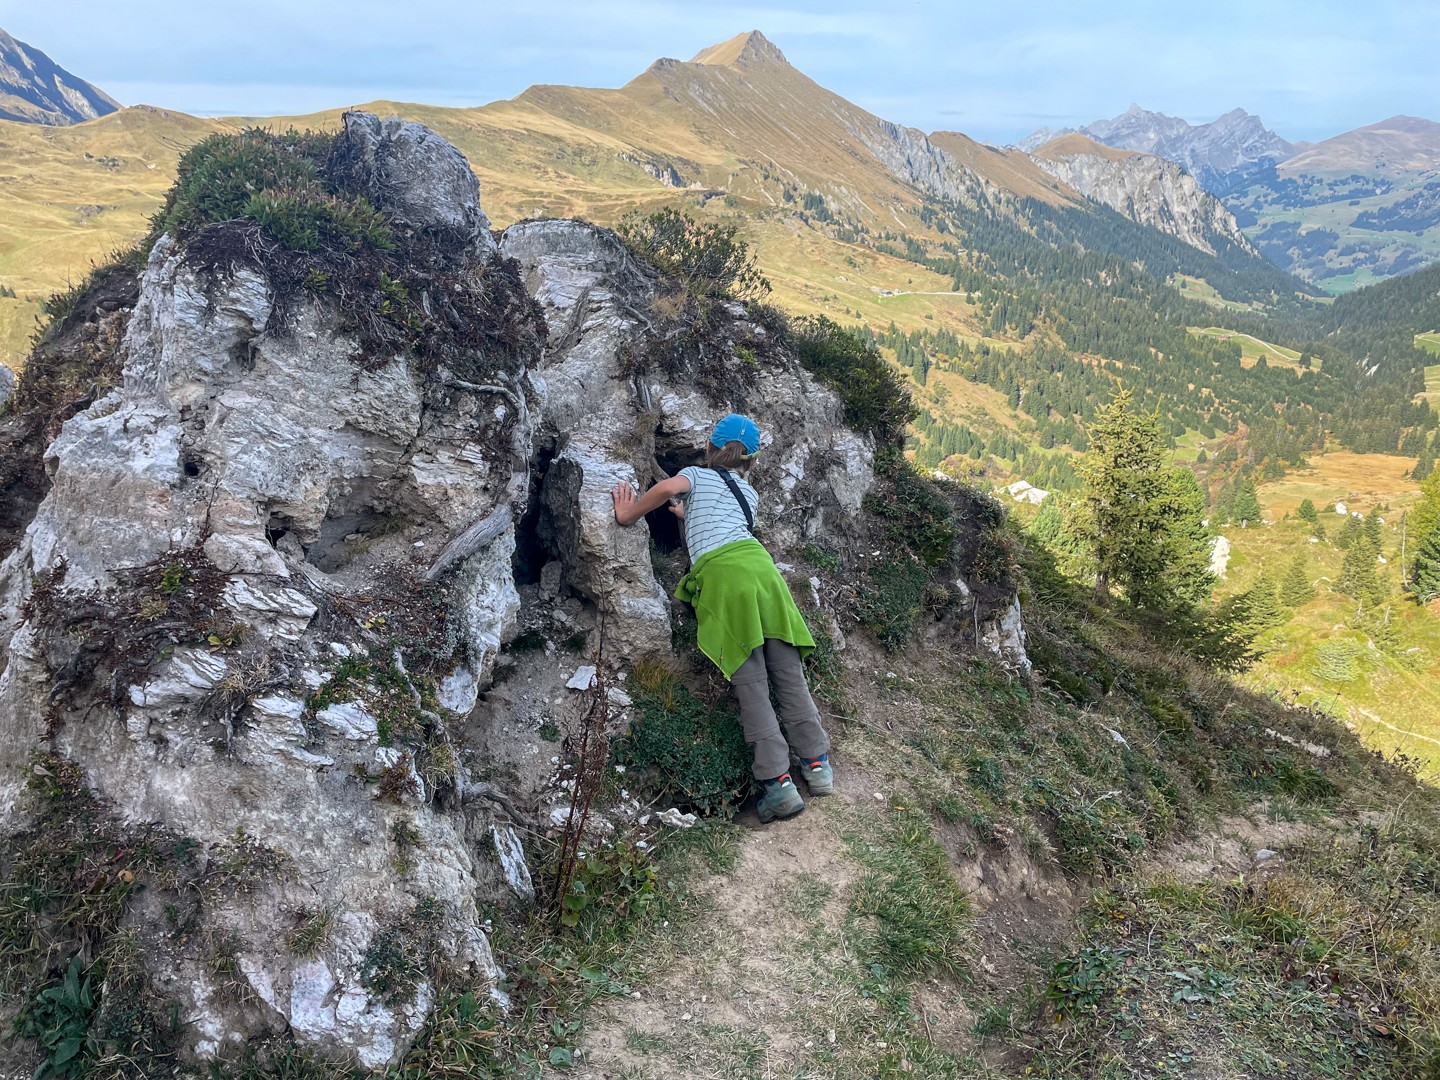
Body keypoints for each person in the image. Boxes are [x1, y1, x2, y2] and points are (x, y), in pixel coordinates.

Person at [611, 413, 832, 822]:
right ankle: (817, 767)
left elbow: (666, 487)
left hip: (727, 579)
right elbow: (721, 519)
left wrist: (628, 515)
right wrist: (687, 516)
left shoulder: (695, 474)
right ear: (752, 461)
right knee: (788, 674)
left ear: (710, 447)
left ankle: (777, 785)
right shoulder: (749, 494)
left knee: (752, 682)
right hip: (764, 575)